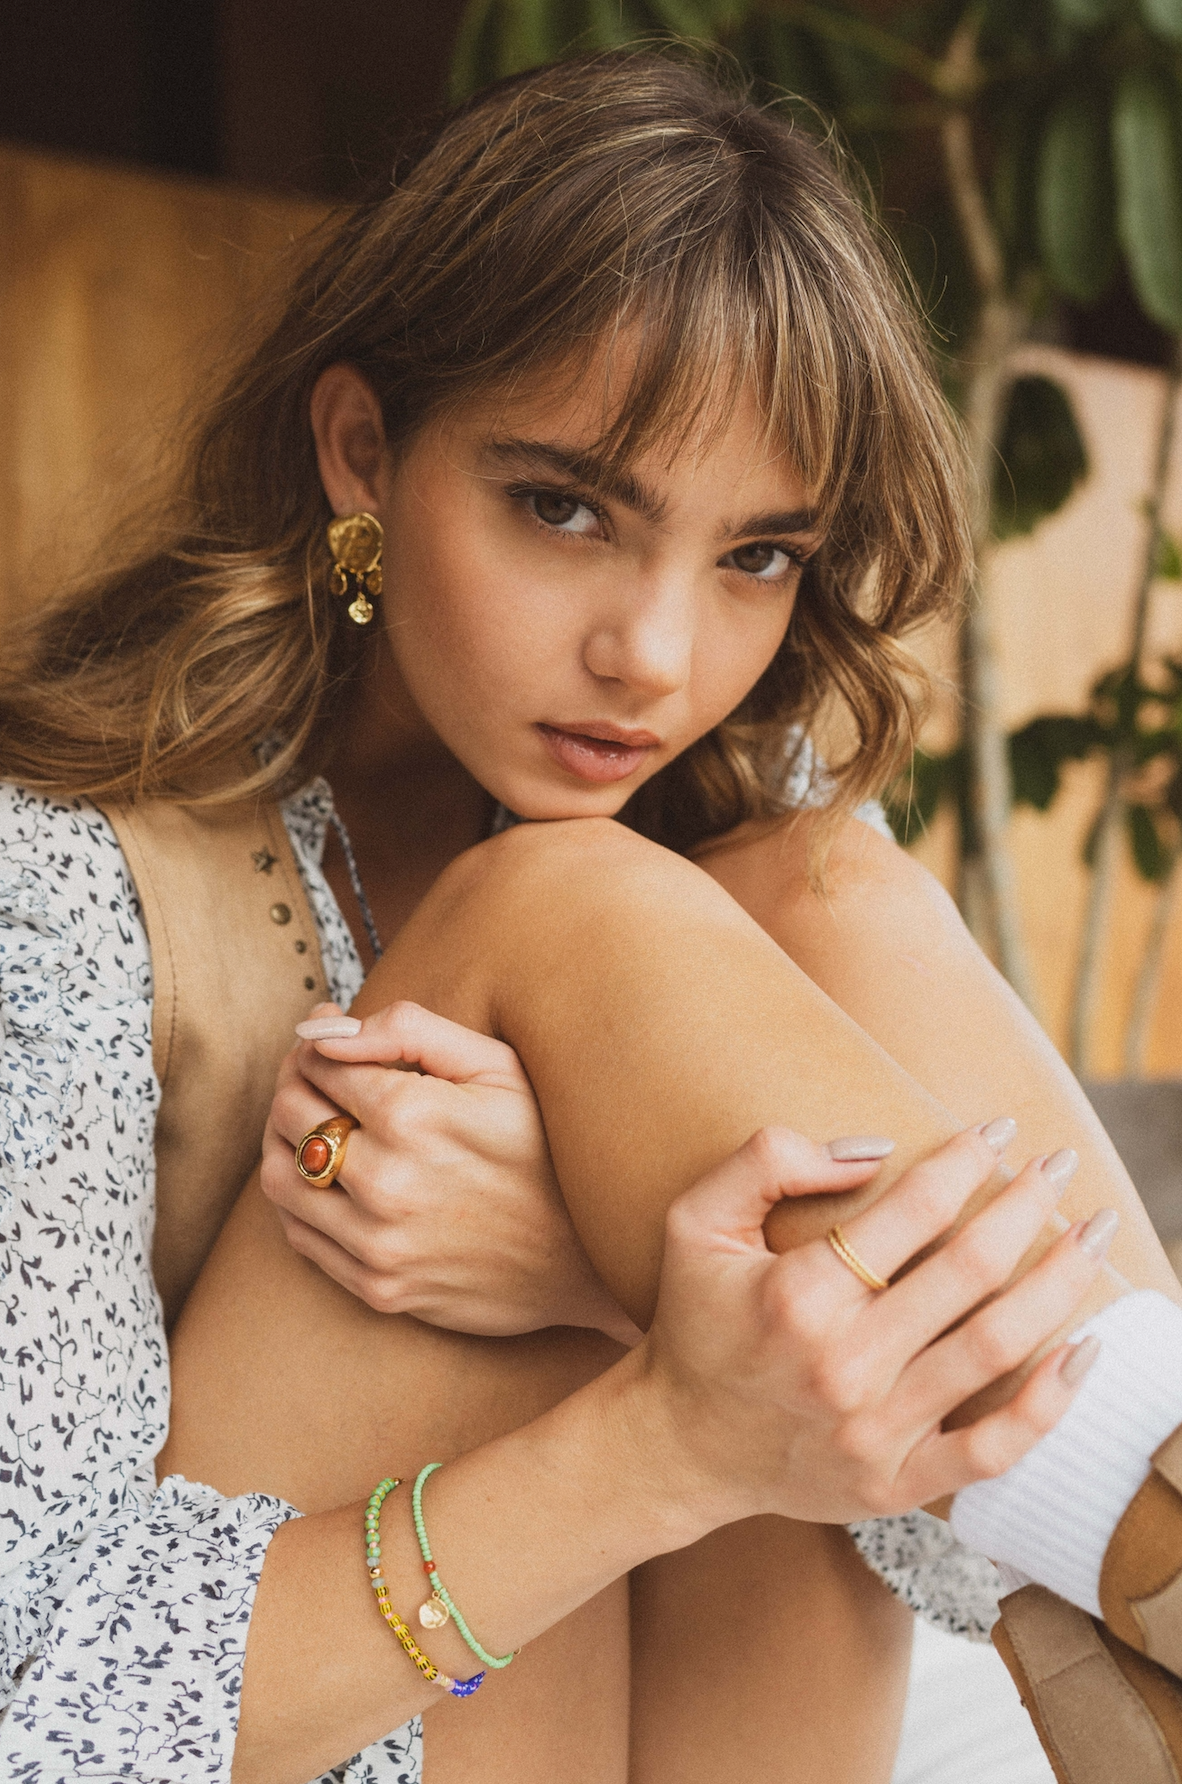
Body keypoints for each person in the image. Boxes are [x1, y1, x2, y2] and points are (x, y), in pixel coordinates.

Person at [2, 48, 1180, 1784]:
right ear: (361, 453)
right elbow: (44, 1716)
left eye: (756, 555)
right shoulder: (54, 885)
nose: (655, 655)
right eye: (562, 509)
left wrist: (599, 1268)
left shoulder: (744, 843)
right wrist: (665, 1426)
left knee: (820, 878)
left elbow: (949, 1547)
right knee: (559, 904)